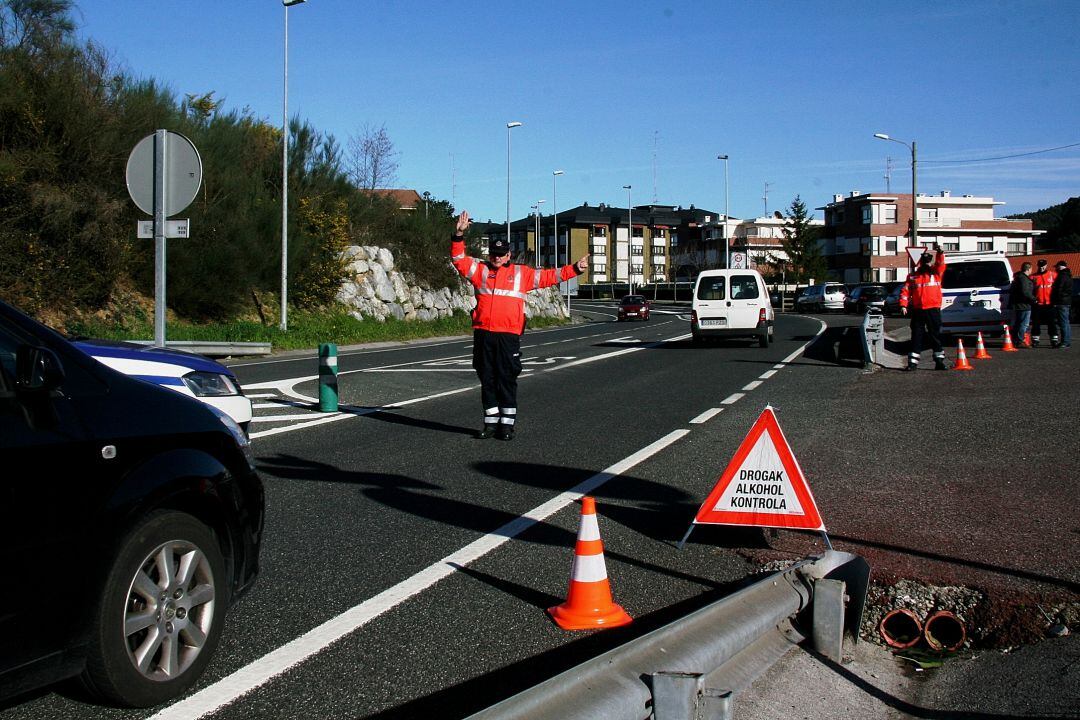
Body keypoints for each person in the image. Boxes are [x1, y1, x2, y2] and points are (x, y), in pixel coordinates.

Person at [451, 210, 589, 440]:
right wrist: (458, 234)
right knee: (487, 378)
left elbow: (548, 277)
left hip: (508, 336)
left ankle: (507, 425)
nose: (496, 257)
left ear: (509, 255)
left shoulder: (520, 274)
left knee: (506, 378)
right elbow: (459, 260)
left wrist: (574, 269)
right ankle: (491, 423)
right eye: (494, 254)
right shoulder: (481, 270)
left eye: (501, 254)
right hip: (484, 334)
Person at [899, 244, 948, 370]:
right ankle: (912, 363)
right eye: (925, 262)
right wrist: (903, 305)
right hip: (918, 310)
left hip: (933, 309)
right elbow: (905, 291)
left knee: (935, 335)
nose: (927, 264)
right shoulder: (912, 277)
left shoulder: (936, 273)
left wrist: (940, 252)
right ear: (920, 263)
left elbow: (941, 264)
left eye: (929, 261)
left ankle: (939, 361)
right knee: (916, 336)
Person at [1030, 258, 1056, 347]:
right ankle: (1035, 340)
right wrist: (1034, 300)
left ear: (1046, 265)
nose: (1041, 268)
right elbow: (1029, 290)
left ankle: (1054, 339)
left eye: (1043, 266)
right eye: (1040, 266)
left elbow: (1058, 288)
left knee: (1051, 323)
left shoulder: (1052, 275)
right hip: (1038, 304)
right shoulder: (1033, 277)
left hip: (1049, 304)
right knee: (1036, 323)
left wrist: (1055, 300)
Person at [1008, 262, 1035, 348]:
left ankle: (1015, 339)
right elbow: (1025, 292)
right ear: (1028, 269)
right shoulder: (1024, 279)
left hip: (1018, 304)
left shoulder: (1018, 278)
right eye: (1031, 268)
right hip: (1024, 304)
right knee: (1024, 324)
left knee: (1018, 323)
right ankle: (1020, 340)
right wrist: (1034, 299)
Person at [1049, 260, 1072, 349]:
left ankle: (1064, 342)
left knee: (1063, 322)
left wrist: (1055, 301)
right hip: (1066, 301)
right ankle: (1067, 341)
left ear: (1060, 267)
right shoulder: (1068, 275)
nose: (1056, 269)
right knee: (1066, 322)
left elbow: (1058, 289)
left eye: (1057, 267)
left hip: (1061, 302)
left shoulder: (1062, 276)